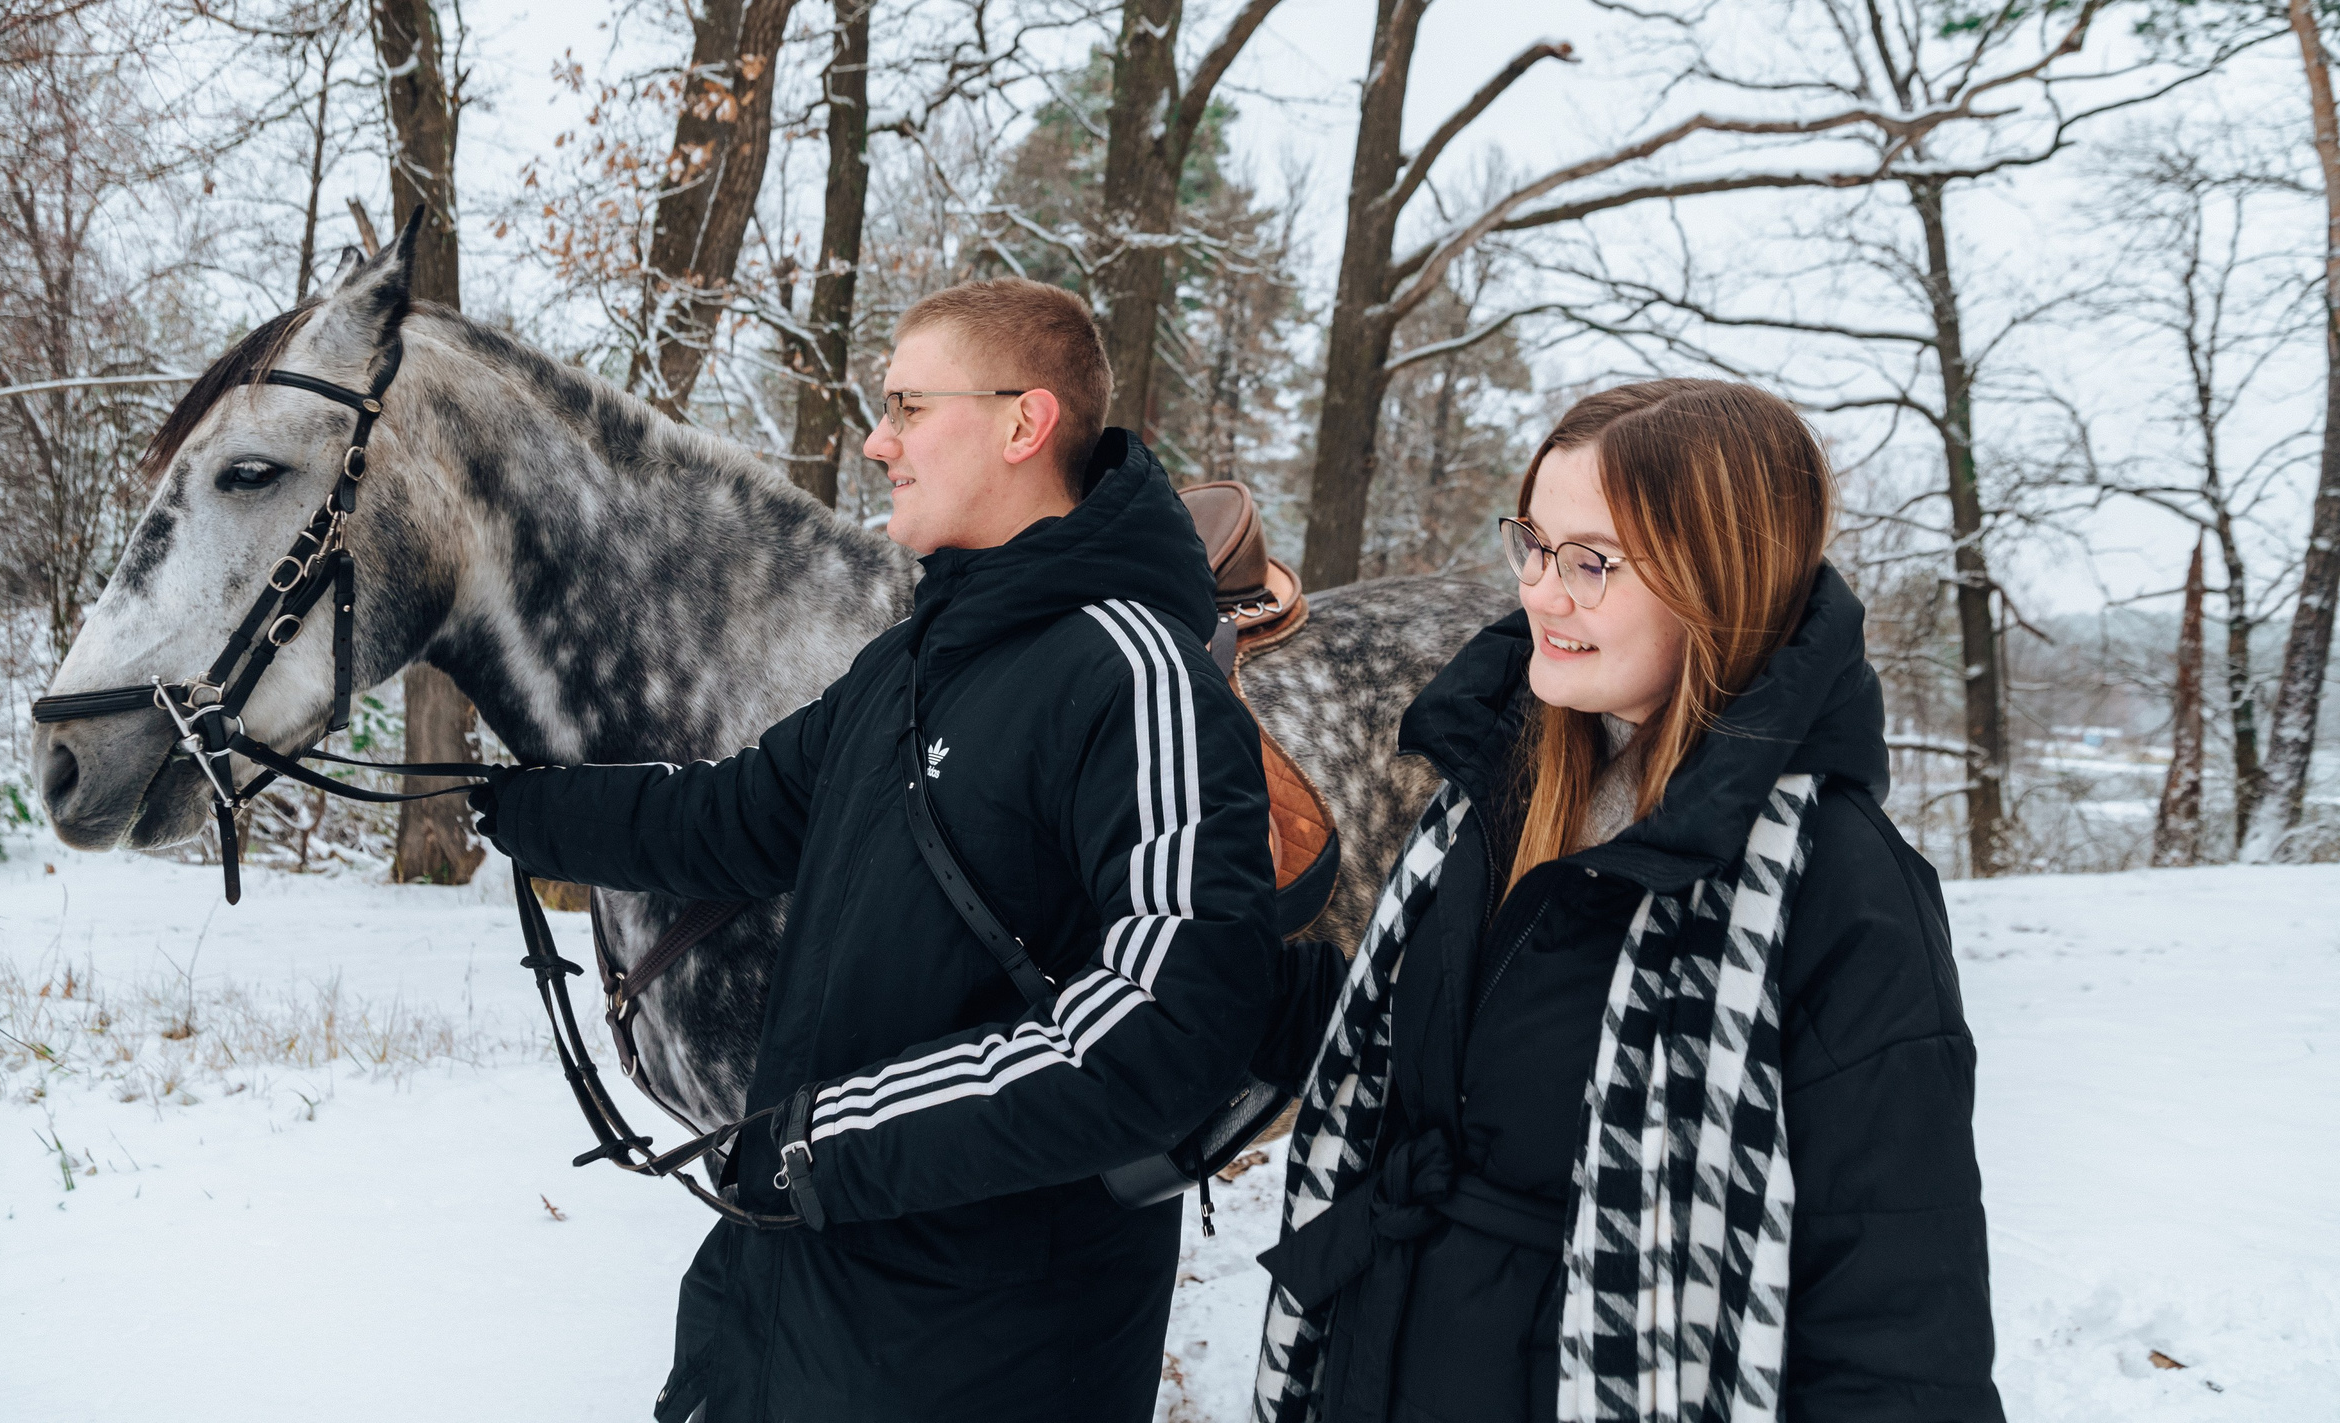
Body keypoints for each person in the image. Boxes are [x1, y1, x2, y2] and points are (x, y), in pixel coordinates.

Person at [472, 279, 1277, 1423]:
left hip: (986, 1344)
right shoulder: (907, 665)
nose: (876, 436)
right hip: (799, 1298)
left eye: (907, 403)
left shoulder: (1131, 673)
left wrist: (820, 1142)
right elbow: (728, 816)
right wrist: (518, 805)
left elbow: (1161, 1025)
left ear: (1021, 423)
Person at [1251, 379, 2003, 1423]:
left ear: (1719, 580)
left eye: (1590, 561)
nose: (1538, 593)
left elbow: (1899, 1336)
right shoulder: (1490, 797)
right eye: (1534, 543)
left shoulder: (1839, 890)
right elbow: (1414, 1056)